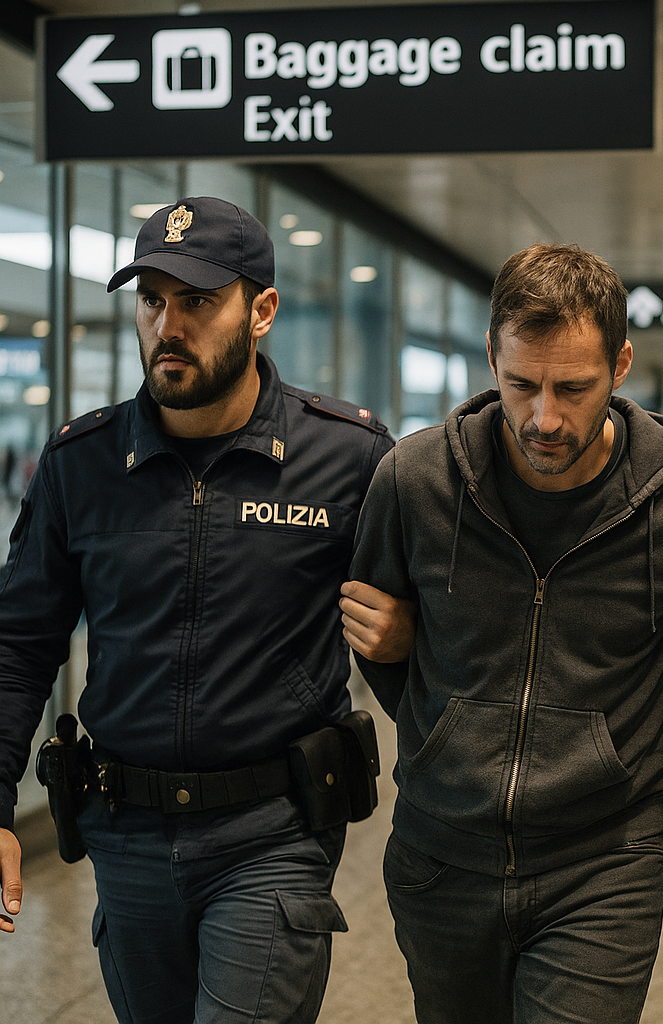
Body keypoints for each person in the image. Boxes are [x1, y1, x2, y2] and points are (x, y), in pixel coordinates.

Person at [0, 197, 397, 1024]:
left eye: (197, 300)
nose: (167, 326)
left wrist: (401, 645)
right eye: (152, 300)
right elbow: (19, 643)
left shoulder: (348, 459)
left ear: (261, 310)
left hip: (274, 834)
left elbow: (432, 630)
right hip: (125, 835)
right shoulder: (84, 463)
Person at [341, 243, 663, 1024]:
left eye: (574, 387)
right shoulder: (413, 480)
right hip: (441, 849)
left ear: (620, 365)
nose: (545, 416)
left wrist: (634, 714)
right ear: (492, 358)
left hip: (604, 858)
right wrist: (437, 713)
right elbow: (379, 633)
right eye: (521, 384)